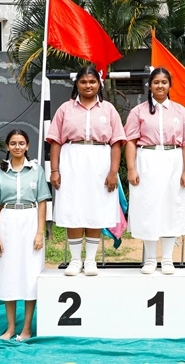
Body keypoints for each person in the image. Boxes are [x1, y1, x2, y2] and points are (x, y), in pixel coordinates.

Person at [47, 66, 126, 276]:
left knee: (95, 209)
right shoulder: (65, 109)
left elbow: (117, 143)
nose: (88, 85)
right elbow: (55, 141)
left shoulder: (108, 109)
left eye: (92, 81)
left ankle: (90, 260)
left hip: (100, 161)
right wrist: (54, 170)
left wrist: (113, 172)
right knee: (73, 208)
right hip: (72, 160)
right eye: (83, 82)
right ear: (77, 84)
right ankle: (75, 260)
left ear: (99, 84)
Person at [124, 67, 185, 275]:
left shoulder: (180, 111)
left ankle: (167, 259)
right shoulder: (138, 111)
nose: (160, 86)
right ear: (150, 85)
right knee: (148, 208)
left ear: (169, 85)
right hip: (147, 160)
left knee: (171, 208)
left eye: (164, 82)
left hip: (173, 160)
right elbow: (130, 141)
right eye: (156, 82)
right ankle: (150, 258)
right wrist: (131, 168)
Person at [0, 129, 51, 341]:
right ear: (7, 146)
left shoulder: (36, 170)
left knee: (30, 274)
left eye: (21, 143)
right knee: (8, 273)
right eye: (13, 143)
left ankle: (26, 328)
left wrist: (40, 232)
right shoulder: (0, 172)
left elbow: (42, 202)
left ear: (27, 146)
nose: (17, 147)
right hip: (7, 221)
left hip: (30, 220)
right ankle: (10, 328)